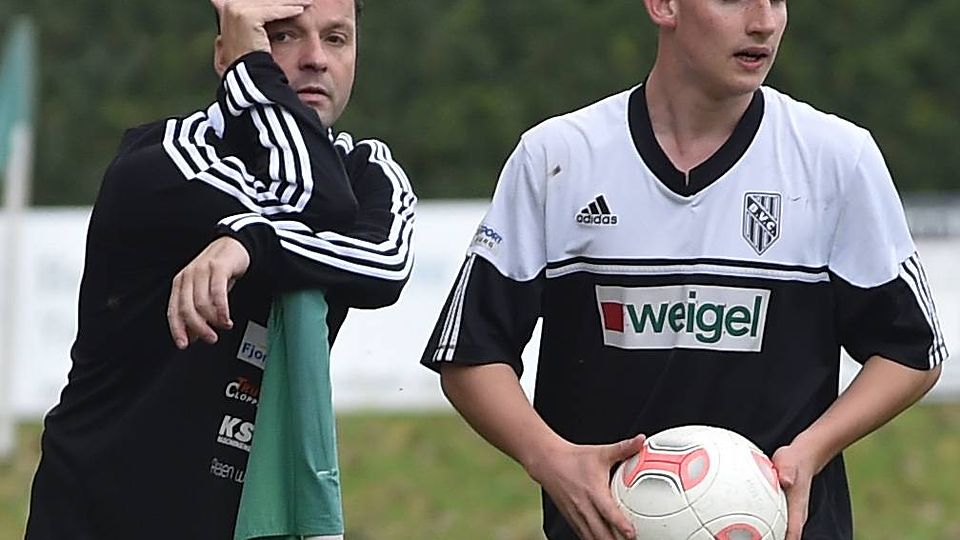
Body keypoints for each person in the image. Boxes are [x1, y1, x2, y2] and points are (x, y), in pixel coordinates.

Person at [420, 1, 946, 539]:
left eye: (777, 0)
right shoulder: (558, 157)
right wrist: (550, 458)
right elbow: (470, 352)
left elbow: (911, 350)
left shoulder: (837, 159)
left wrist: (811, 449)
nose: (764, 22)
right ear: (664, 6)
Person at [26, 0, 415, 538]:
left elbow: (385, 263)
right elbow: (311, 197)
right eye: (281, 37)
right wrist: (252, 70)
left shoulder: (367, 170)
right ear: (227, 55)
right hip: (101, 517)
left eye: (337, 38)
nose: (315, 59)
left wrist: (250, 244)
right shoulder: (164, 161)